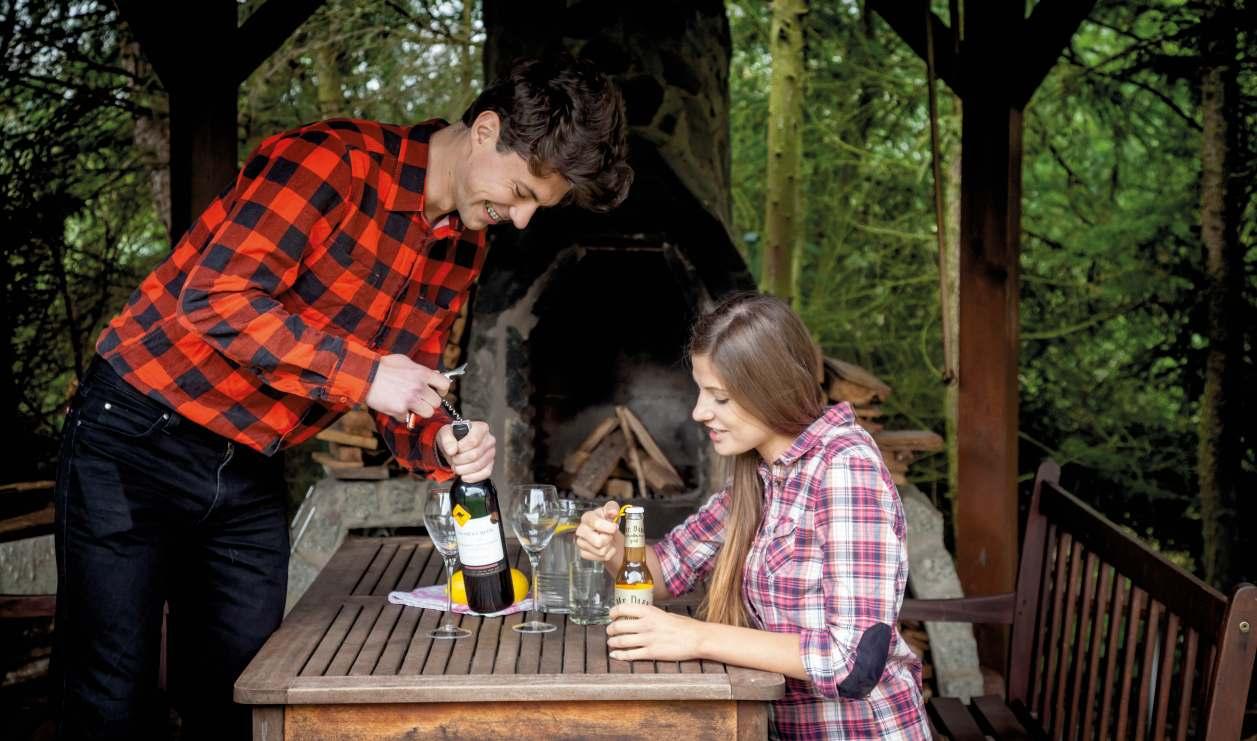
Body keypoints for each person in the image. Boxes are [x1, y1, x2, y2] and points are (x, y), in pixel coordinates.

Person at [53, 54, 632, 740]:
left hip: (249, 461)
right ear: (485, 130)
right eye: (521, 191)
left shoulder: (461, 248)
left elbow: (407, 385)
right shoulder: (332, 162)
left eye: (540, 205)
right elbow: (215, 297)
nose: (524, 219)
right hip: (136, 433)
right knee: (110, 697)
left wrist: (440, 438)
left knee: (239, 693)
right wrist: (365, 376)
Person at [576, 293, 929, 739]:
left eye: (720, 397)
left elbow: (853, 663)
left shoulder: (844, 467)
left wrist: (697, 637)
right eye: (701, 391)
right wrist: (613, 548)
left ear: (771, 389)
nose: (699, 412)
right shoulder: (761, 473)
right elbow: (666, 569)